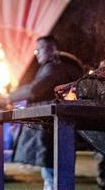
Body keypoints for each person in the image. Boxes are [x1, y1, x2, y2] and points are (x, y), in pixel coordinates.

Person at [8, 35, 84, 190]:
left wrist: (5, 98)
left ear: (52, 49)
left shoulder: (53, 67)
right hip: (59, 128)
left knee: (52, 177)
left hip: (51, 129)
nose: (37, 53)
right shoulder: (61, 66)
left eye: (39, 49)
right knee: (57, 176)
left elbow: (34, 90)